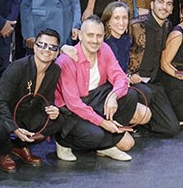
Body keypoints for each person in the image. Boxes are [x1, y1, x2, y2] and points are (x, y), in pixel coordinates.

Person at [52, 16, 152, 162]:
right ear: (80, 35)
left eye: (99, 36)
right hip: (71, 110)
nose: (95, 40)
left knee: (129, 95)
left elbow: (120, 77)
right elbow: (74, 104)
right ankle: (63, 142)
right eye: (90, 35)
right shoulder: (66, 60)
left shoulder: (104, 49)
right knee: (97, 136)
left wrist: (113, 96)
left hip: (94, 98)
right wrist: (103, 122)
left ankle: (106, 145)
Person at [0, 28, 63, 173]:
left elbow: (47, 99)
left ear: (57, 52)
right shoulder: (18, 67)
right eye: (42, 45)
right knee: (0, 127)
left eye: (52, 47)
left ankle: (19, 146)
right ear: (35, 47)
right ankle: (5, 152)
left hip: (26, 112)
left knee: (59, 120)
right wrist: (15, 129)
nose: (46, 50)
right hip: (0, 112)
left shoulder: (55, 70)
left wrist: (52, 109)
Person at [125, 0, 181, 137]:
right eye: (160, 2)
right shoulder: (135, 26)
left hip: (154, 83)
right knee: (146, 93)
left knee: (172, 128)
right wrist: (129, 75)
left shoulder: (168, 26)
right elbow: (118, 54)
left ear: (172, 8)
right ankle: (130, 122)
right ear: (152, 5)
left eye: (169, 4)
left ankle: (145, 120)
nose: (164, 7)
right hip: (133, 81)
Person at [102, 1, 133, 72]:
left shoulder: (127, 40)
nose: (121, 22)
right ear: (108, 21)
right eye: (117, 18)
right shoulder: (103, 43)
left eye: (124, 18)